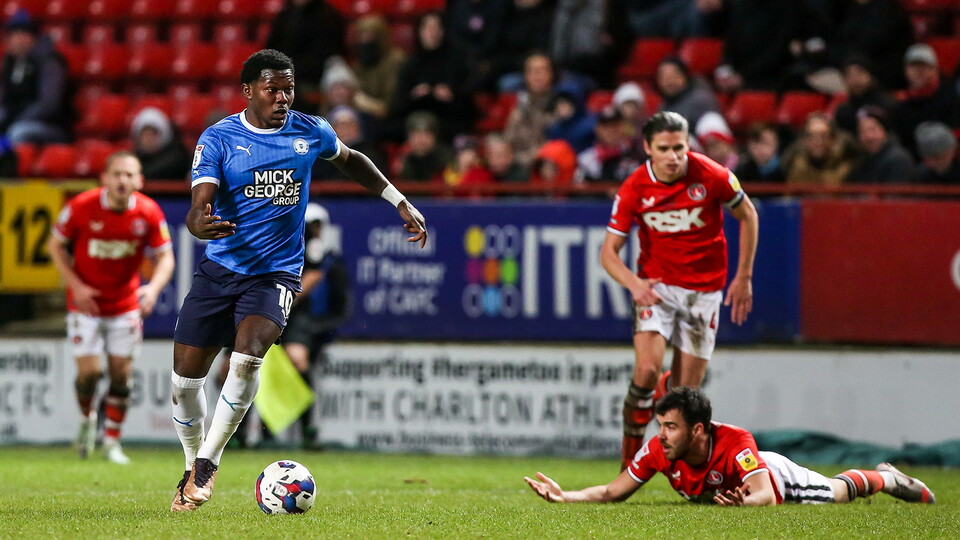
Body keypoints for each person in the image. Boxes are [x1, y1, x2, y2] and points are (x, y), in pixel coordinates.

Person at [169, 49, 427, 512]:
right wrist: (198, 223)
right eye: (272, 89)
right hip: (220, 271)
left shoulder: (310, 130)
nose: (283, 98)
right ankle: (191, 465)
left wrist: (398, 200)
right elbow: (198, 205)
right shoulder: (219, 138)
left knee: (247, 358)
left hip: (276, 273)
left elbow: (351, 159)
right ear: (249, 91)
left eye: (288, 89)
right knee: (184, 385)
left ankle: (208, 462)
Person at [600, 111, 758, 469]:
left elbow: (748, 214)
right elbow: (608, 253)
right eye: (664, 149)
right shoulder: (634, 188)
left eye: (679, 148)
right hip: (658, 289)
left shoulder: (713, 175)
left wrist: (744, 276)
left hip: (704, 292)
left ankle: (678, 465)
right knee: (646, 370)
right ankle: (629, 460)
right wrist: (634, 284)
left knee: (684, 399)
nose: (673, 157)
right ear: (647, 148)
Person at [525, 386, 936, 506]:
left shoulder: (736, 442)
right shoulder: (659, 451)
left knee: (835, 493)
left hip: (774, 475)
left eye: (671, 427)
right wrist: (566, 496)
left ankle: (886, 478)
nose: (661, 435)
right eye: (660, 426)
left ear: (698, 430)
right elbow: (612, 492)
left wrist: (746, 504)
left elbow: (765, 494)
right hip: (751, 484)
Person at [48, 151, 175, 465]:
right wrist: (76, 286)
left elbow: (166, 257)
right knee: (89, 374)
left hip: (125, 305)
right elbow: (55, 245)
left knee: (121, 375)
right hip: (86, 305)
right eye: (117, 173)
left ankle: (112, 443)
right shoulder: (81, 206)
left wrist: (153, 289)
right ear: (104, 178)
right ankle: (86, 419)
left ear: (140, 180)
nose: (122, 180)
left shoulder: (148, 212)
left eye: (129, 175)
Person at [282, 203, 351, 447]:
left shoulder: (314, 246)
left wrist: (285, 299)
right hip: (257, 308)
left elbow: (314, 275)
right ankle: (239, 435)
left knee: (298, 359)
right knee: (235, 366)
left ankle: (307, 430)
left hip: (292, 311)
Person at [0, 8, 72, 145]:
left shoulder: (50, 62)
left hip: (48, 125)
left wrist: (15, 119)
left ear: (34, 38)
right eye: (14, 35)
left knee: (18, 132)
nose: (19, 40)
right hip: (14, 119)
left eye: (24, 35)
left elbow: (48, 104)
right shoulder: (9, 63)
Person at [891, 44, 960, 160]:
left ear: (935, 69)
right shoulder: (902, 105)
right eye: (913, 67)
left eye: (924, 67)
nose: (918, 72)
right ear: (906, 71)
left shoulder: (951, 97)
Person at [782, 113, 858, 186]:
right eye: (812, 136)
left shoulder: (847, 170)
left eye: (823, 136)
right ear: (804, 140)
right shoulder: (796, 168)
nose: (818, 142)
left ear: (833, 139)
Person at [847, 106, 916, 184]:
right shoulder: (860, 161)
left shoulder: (898, 160)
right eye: (862, 131)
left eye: (873, 129)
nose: (869, 136)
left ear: (884, 130)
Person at [131, 107, 192, 180]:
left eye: (153, 134)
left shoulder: (176, 156)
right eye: (145, 135)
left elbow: (152, 173)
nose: (148, 139)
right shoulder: (136, 157)